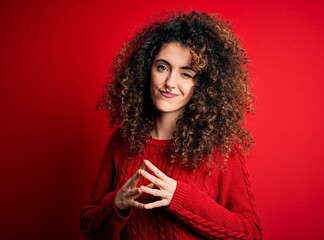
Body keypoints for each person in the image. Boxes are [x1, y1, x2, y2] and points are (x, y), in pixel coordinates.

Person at [80, 11, 262, 240]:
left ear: (203, 85)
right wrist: (117, 203)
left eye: (186, 74)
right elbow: (89, 226)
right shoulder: (122, 141)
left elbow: (250, 234)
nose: (169, 83)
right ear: (146, 70)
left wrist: (180, 198)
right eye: (163, 67)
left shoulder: (220, 149)